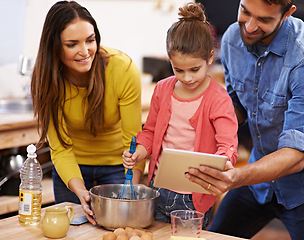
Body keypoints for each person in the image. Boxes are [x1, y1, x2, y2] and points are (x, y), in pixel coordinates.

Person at [185, 0, 304, 239]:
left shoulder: (301, 57)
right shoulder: (232, 39)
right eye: (245, 11)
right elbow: (237, 104)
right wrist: (202, 123)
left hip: (299, 188)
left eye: (264, 20)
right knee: (216, 235)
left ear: (288, 13)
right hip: (258, 182)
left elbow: (296, 155)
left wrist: (235, 177)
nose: (249, 27)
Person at [122, 2, 238, 229]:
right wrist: (139, 154)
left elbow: (227, 145)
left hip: (193, 198)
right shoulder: (163, 89)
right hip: (157, 188)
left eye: (194, 69)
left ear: (210, 58)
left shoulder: (219, 98)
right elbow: (150, 132)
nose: (187, 78)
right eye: (178, 70)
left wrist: (225, 162)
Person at [30, 1, 145, 225]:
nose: (85, 51)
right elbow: (61, 148)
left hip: (118, 169)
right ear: (54, 46)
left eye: (90, 40)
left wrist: (132, 187)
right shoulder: (45, 80)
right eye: (72, 44)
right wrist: (80, 191)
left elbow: (133, 141)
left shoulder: (122, 69)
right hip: (71, 170)